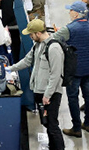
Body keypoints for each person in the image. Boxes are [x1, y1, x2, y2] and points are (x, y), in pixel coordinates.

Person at [10, 19, 65, 150]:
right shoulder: (38, 45)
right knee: (46, 123)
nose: (30, 37)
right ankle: (52, 147)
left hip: (50, 94)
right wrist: (10, 69)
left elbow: (55, 75)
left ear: (38, 33)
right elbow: (27, 61)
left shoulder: (54, 48)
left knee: (52, 125)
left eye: (31, 34)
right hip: (39, 91)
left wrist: (47, 95)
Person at [53, 1, 89, 138]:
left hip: (73, 71)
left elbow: (52, 40)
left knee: (73, 98)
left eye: (70, 10)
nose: (69, 12)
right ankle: (88, 124)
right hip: (88, 70)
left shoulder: (69, 29)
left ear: (76, 13)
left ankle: (76, 127)